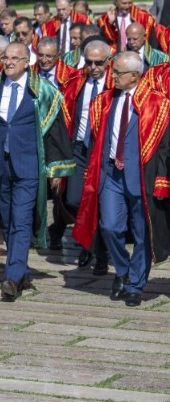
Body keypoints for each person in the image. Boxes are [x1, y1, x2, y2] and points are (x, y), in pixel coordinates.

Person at [0, 42, 72, 303]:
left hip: (29, 166)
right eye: (5, 58)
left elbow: (56, 132)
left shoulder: (44, 93)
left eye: (14, 58)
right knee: (9, 221)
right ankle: (21, 272)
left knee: (21, 220)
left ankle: (11, 278)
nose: (8, 62)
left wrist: (56, 169)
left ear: (27, 62)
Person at [72, 52, 170, 307]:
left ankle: (135, 285)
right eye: (113, 71)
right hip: (111, 174)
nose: (112, 75)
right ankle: (124, 271)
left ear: (135, 76)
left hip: (140, 177)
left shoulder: (156, 103)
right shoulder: (103, 101)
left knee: (141, 234)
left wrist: (161, 179)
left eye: (118, 72)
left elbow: (164, 148)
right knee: (109, 227)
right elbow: (96, 140)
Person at [63, 39, 114, 271]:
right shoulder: (78, 82)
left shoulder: (115, 85)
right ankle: (88, 241)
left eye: (98, 63)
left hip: (102, 151)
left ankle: (99, 252)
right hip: (78, 149)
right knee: (74, 199)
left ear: (108, 61)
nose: (93, 67)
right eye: (89, 62)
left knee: (101, 202)